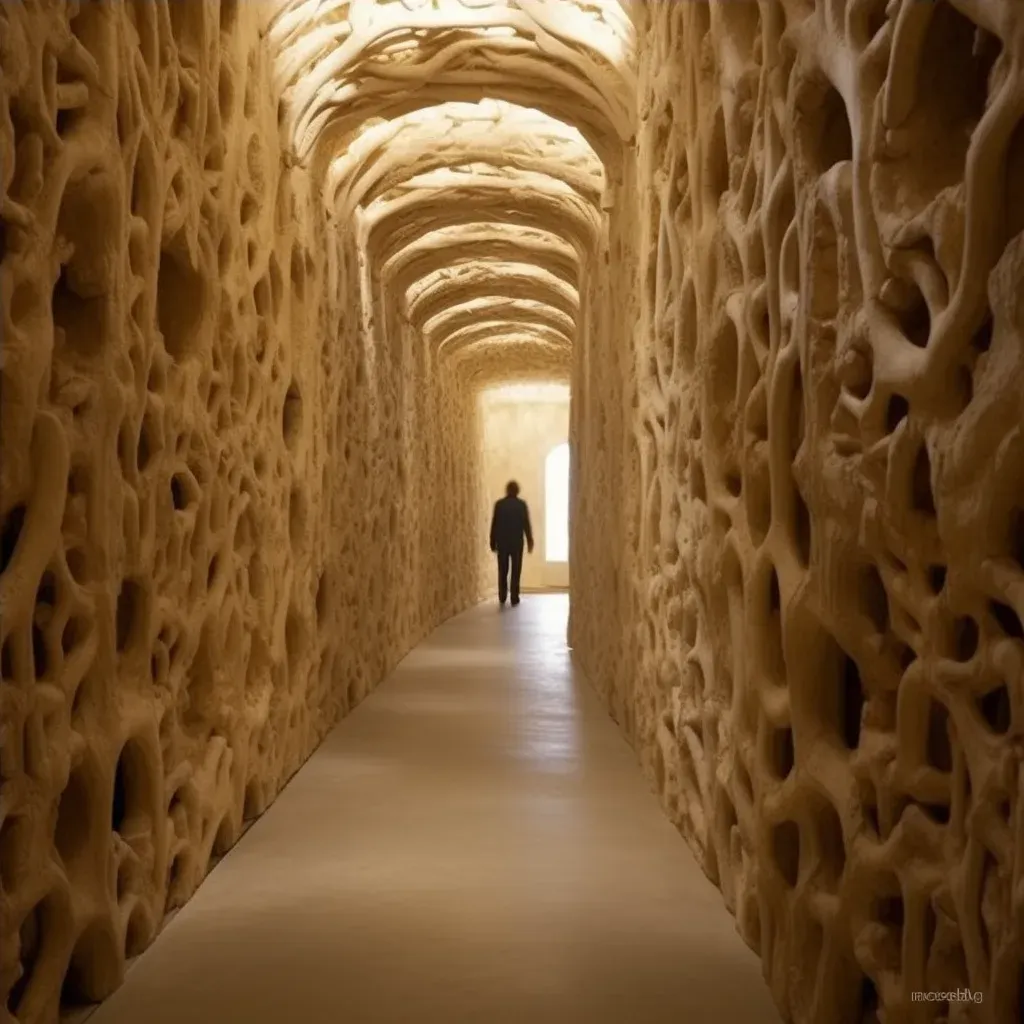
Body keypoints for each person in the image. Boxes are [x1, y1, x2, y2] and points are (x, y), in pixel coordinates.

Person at [489, 480, 534, 607]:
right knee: (516, 569)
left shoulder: (499, 505)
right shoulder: (521, 505)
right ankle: (514, 596)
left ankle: (502, 596)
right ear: (517, 491)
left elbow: (494, 524)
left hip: (502, 543)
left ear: (507, 490)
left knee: (502, 569)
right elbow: (526, 524)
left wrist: (492, 541)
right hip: (517, 543)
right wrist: (530, 540)